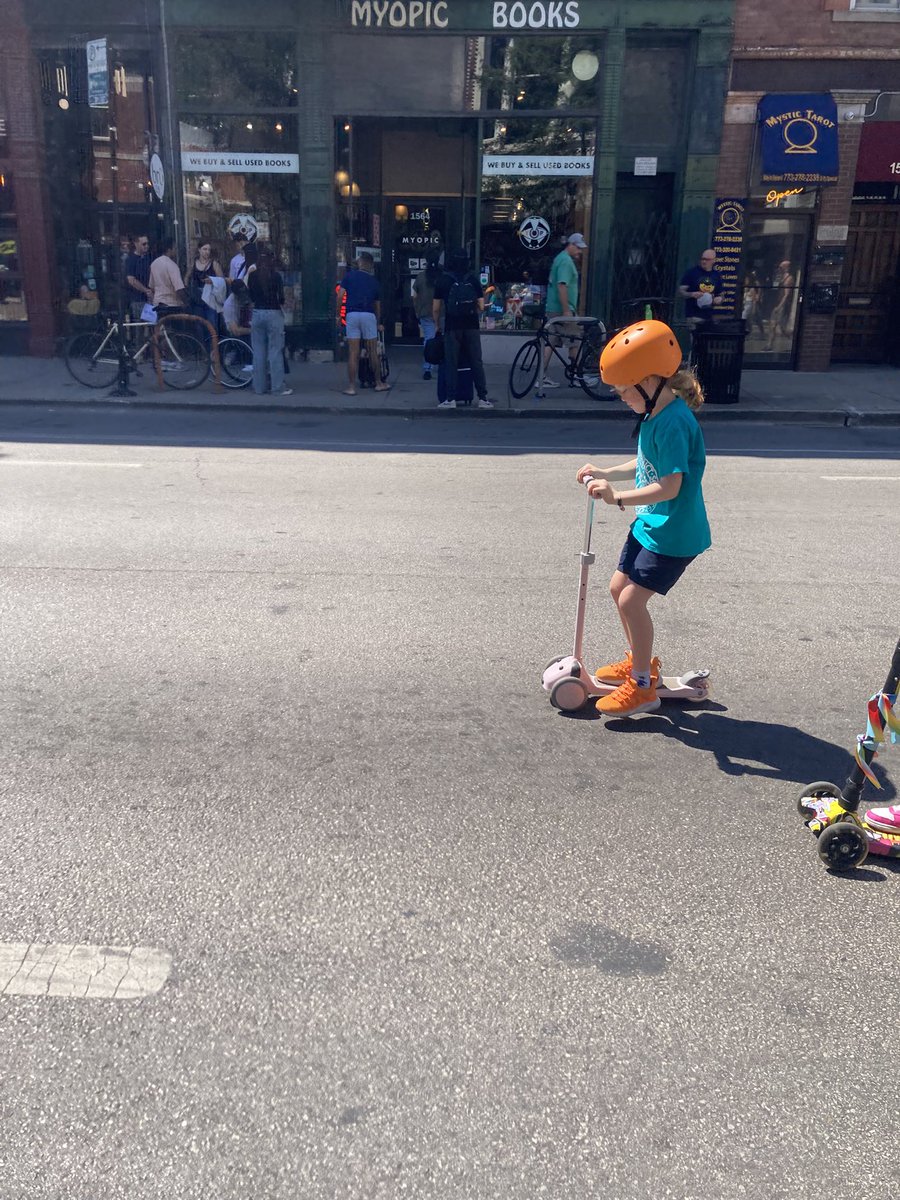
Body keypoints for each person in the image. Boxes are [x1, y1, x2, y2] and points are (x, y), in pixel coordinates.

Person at [575, 319, 711, 718]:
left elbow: (669, 486)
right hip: (650, 526)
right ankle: (641, 662)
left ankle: (642, 687)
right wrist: (605, 472)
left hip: (674, 534)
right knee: (618, 589)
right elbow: (645, 463)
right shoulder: (655, 415)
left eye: (623, 390)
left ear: (648, 381)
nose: (621, 398)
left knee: (632, 601)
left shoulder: (674, 422)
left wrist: (617, 497)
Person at [432, 248, 493, 410]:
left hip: (452, 326)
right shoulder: (473, 279)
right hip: (471, 326)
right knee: (476, 361)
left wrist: (437, 325)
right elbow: (481, 306)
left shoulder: (443, 280)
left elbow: (436, 308)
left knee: (451, 362)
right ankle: (483, 398)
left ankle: (450, 398)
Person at [337, 251, 389, 396]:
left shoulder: (349, 276)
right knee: (372, 351)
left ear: (360, 263)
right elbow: (377, 305)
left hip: (352, 315)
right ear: (371, 265)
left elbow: (340, 296)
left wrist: (338, 315)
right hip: (368, 314)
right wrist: (378, 322)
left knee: (353, 352)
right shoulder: (374, 282)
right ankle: (378, 383)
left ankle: (351, 387)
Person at [542, 232, 588, 387]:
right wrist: (566, 309)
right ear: (571, 245)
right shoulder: (566, 262)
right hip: (562, 310)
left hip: (552, 308)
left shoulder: (559, 258)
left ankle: (541, 376)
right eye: (578, 248)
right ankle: (578, 376)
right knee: (574, 341)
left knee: (550, 342)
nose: (580, 251)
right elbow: (562, 285)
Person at [246, 245, 292, 396]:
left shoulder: (253, 276)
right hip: (274, 313)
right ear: (272, 259)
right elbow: (282, 298)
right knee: (275, 351)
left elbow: (251, 297)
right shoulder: (276, 276)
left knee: (258, 351)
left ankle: (259, 387)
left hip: (257, 313)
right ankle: (277, 387)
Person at [412, 250, 441, 381]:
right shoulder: (442, 276)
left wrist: (417, 310)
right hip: (442, 312)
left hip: (425, 312)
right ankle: (442, 365)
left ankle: (427, 368)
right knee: (443, 339)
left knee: (429, 340)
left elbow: (414, 296)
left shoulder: (421, 277)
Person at [678, 249, 724, 329]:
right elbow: (680, 291)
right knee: (696, 334)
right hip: (693, 315)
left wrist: (719, 299)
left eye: (707, 259)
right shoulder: (692, 273)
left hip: (709, 315)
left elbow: (721, 294)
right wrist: (692, 294)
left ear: (713, 260)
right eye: (703, 259)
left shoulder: (716, 275)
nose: (704, 261)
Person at [186, 240, 224, 336]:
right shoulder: (193, 264)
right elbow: (186, 277)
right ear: (199, 250)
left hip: (211, 299)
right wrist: (188, 291)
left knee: (212, 325)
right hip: (197, 300)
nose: (207, 252)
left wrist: (213, 281)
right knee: (198, 326)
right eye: (204, 249)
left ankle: (213, 344)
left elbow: (222, 280)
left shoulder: (214, 264)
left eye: (208, 250)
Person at [149, 238, 189, 321]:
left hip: (158, 305)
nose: (176, 250)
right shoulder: (172, 265)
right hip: (172, 305)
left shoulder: (154, 264)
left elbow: (151, 286)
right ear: (169, 250)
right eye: (175, 248)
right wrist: (186, 302)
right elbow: (179, 288)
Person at [766, 260, 796, 349]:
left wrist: (779, 306)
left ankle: (791, 339)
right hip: (777, 303)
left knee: (780, 326)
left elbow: (786, 295)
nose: (779, 269)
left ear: (787, 268)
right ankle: (769, 345)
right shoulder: (781, 277)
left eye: (781, 267)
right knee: (773, 325)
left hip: (782, 305)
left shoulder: (788, 279)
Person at [124, 234, 152, 322]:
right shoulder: (131, 260)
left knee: (151, 324)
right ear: (136, 244)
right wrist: (146, 290)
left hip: (150, 299)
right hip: (137, 299)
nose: (146, 246)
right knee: (139, 324)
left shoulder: (149, 258)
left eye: (147, 243)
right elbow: (131, 280)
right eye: (144, 244)